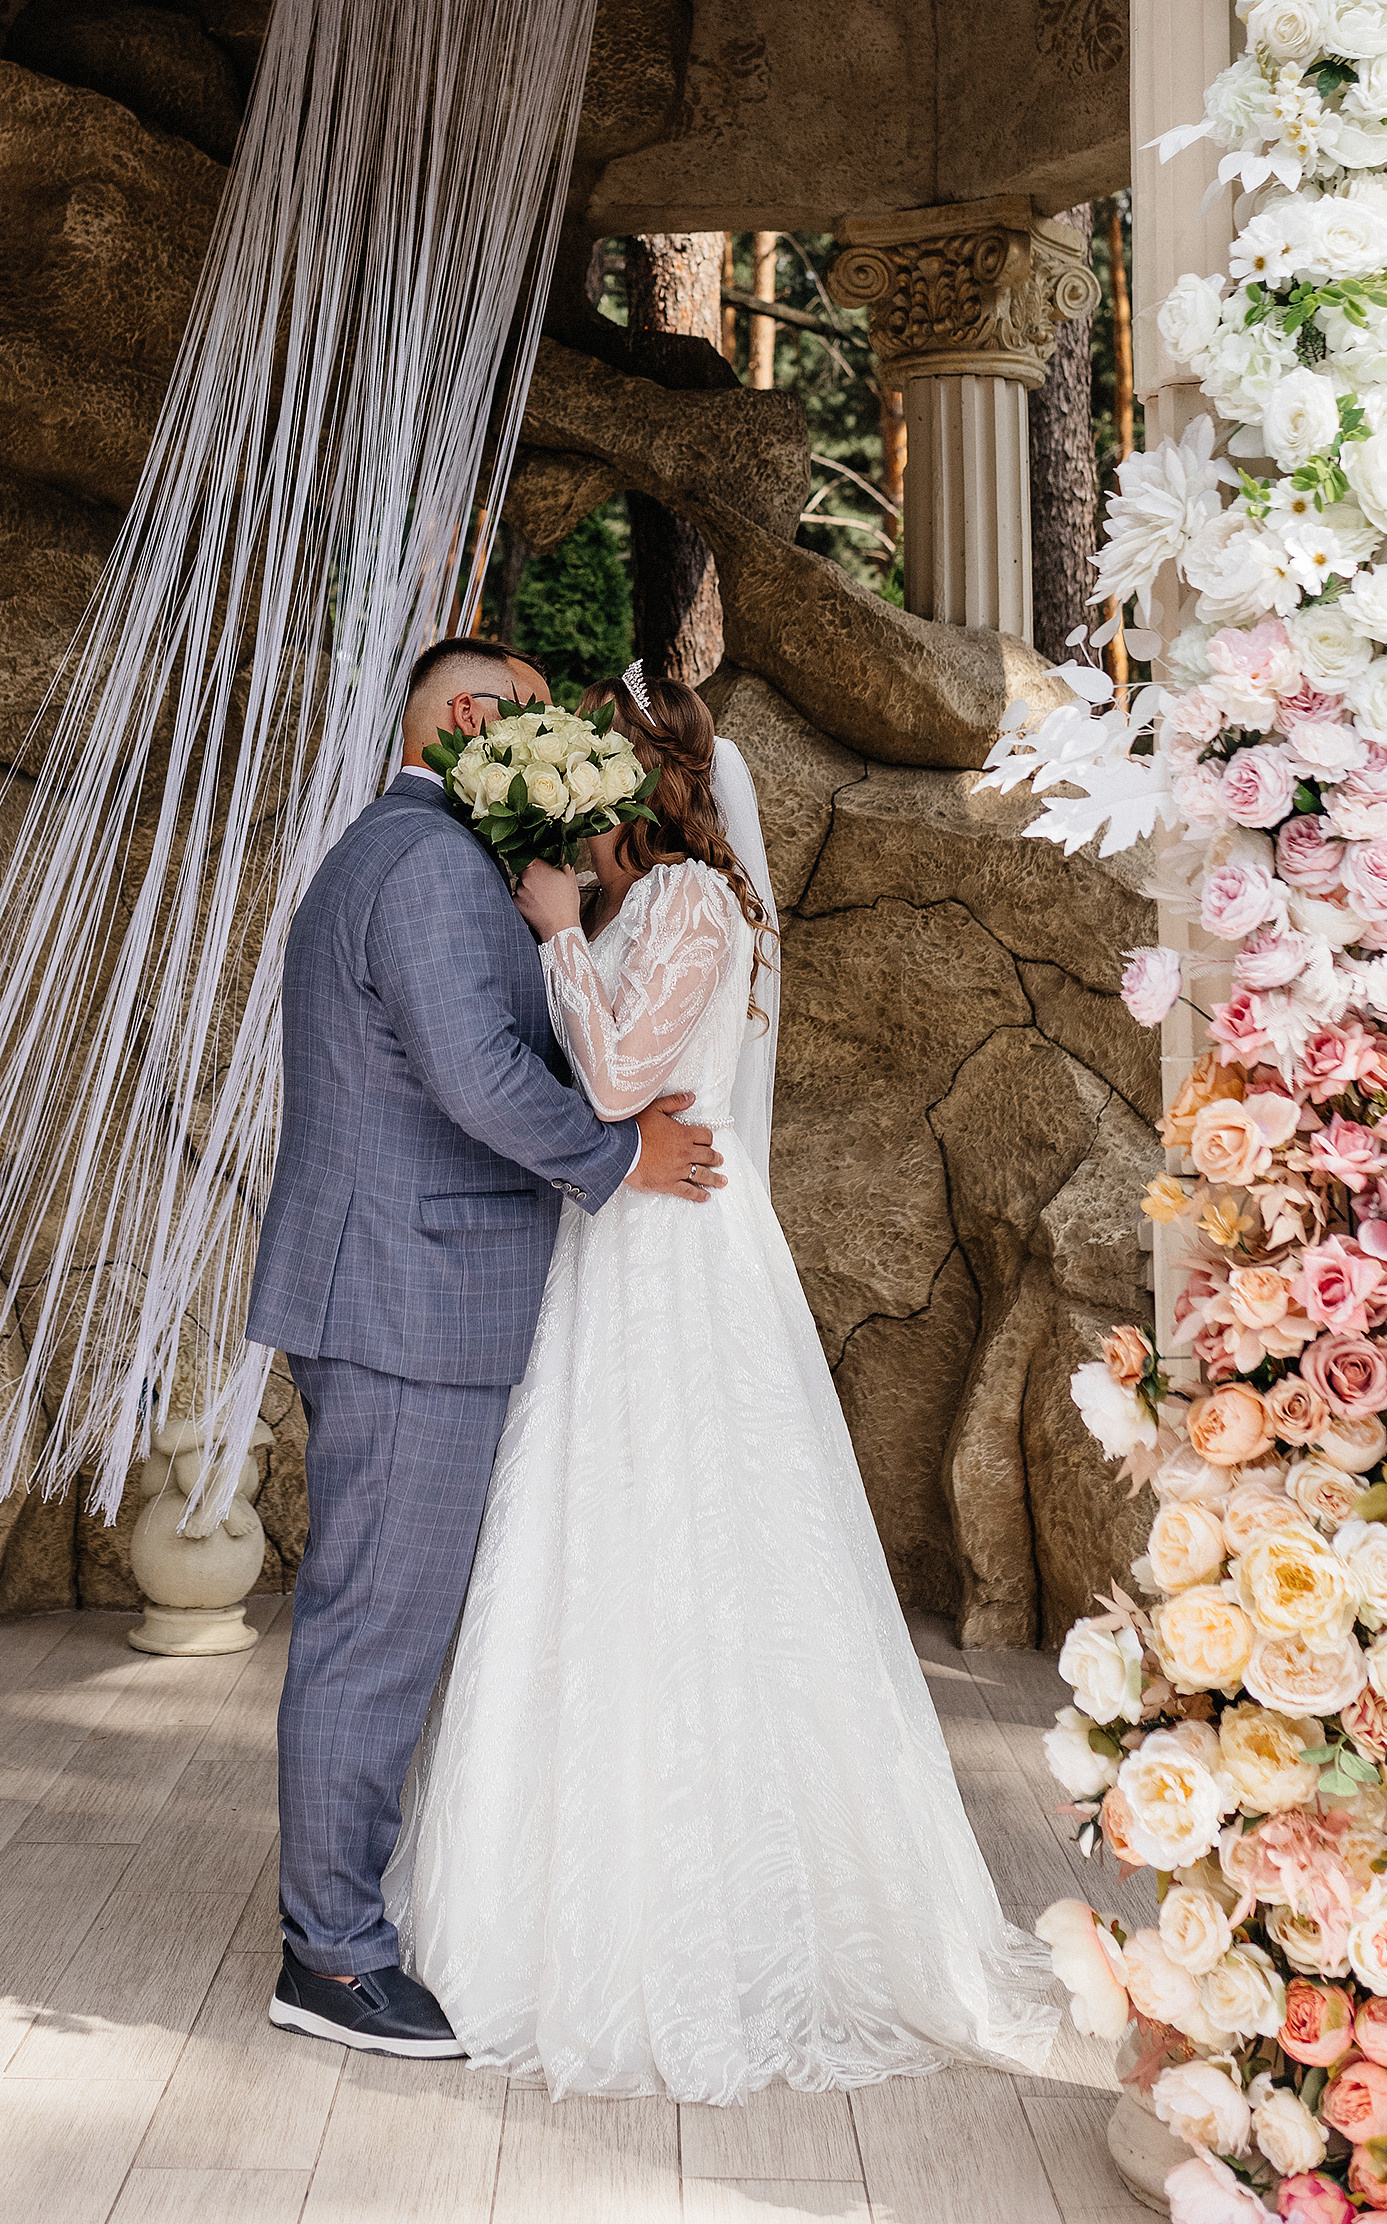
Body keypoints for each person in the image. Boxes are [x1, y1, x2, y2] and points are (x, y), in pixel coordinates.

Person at [381, 665, 1059, 2101]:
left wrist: (559, 939)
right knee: (601, 1545)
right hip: (625, 1244)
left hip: (676, 1257)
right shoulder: (657, 905)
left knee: (699, 1539)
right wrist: (579, 932)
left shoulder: (689, 898)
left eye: (594, 774)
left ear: (652, 783)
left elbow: (621, 1080)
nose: (573, 810)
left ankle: (731, 1919)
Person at [249, 636, 724, 2060]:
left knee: (375, 1626)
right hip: (408, 1298)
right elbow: (473, 1074)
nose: (568, 756)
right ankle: (329, 1959)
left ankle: (338, 1915)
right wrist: (617, 1152)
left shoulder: (410, 852)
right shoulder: (434, 864)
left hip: (402, 1289)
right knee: (375, 1636)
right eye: (536, 725)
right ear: (466, 721)